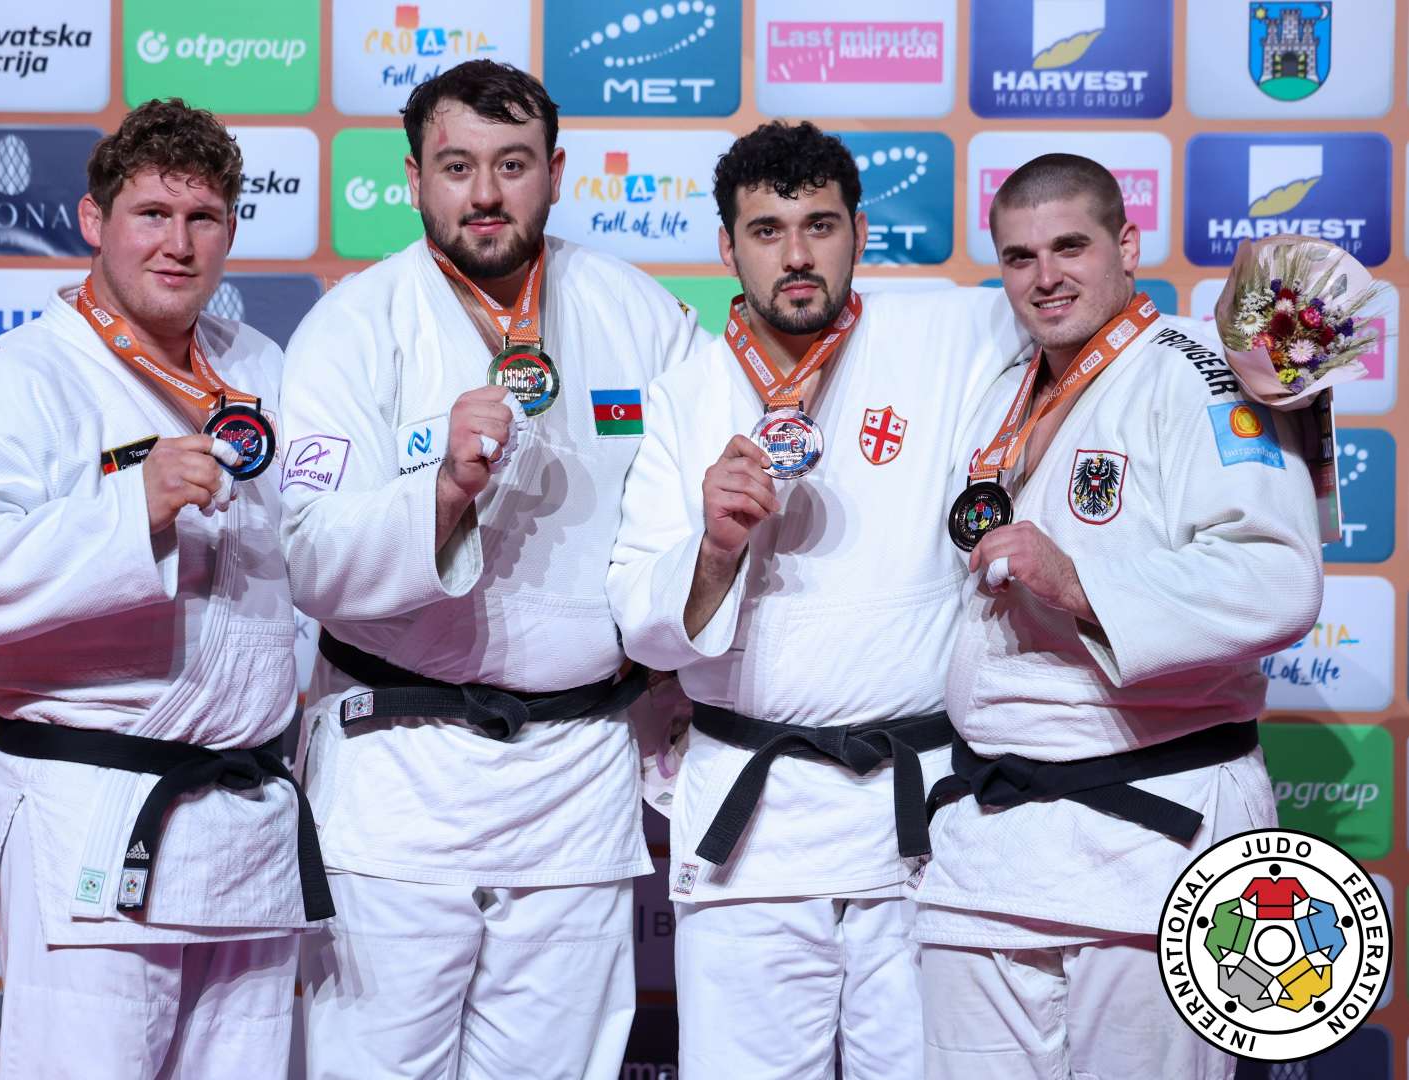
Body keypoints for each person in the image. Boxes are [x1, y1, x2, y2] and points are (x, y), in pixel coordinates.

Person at [280, 60, 702, 1079]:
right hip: (397, 775)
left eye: (512, 165)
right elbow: (304, 548)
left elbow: (685, 520)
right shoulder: (354, 325)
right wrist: (441, 494)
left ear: (556, 172)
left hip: (574, 776)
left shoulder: (640, 316)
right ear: (414, 176)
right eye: (456, 166)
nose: (483, 194)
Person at [0, 99, 330, 1079]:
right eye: (151, 215)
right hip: (94, 818)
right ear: (95, 223)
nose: (177, 245)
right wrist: (127, 508)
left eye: (204, 218)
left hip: (249, 824)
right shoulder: (19, 375)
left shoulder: (257, 368)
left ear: (231, 231)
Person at [608, 120, 1027, 1079]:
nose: (796, 256)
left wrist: (1274, 373)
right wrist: (715, 546)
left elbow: (1088, 318)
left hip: (918, 818)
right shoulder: (685, 394)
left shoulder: (950, 332)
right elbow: (639, 616)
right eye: (766, 230)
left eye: (819, 225)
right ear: (726, 245)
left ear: (860, 231)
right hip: (754, 834)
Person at [913, 153, 1323, 1080]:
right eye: (1019, 257)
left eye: (1070, 246)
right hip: (991, 839)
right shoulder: (1010, 385)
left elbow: (1278, 576)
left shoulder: (1205, 377)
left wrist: (1080, 582)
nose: (1045, 276)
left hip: (1152, 835)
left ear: (1127, 245)